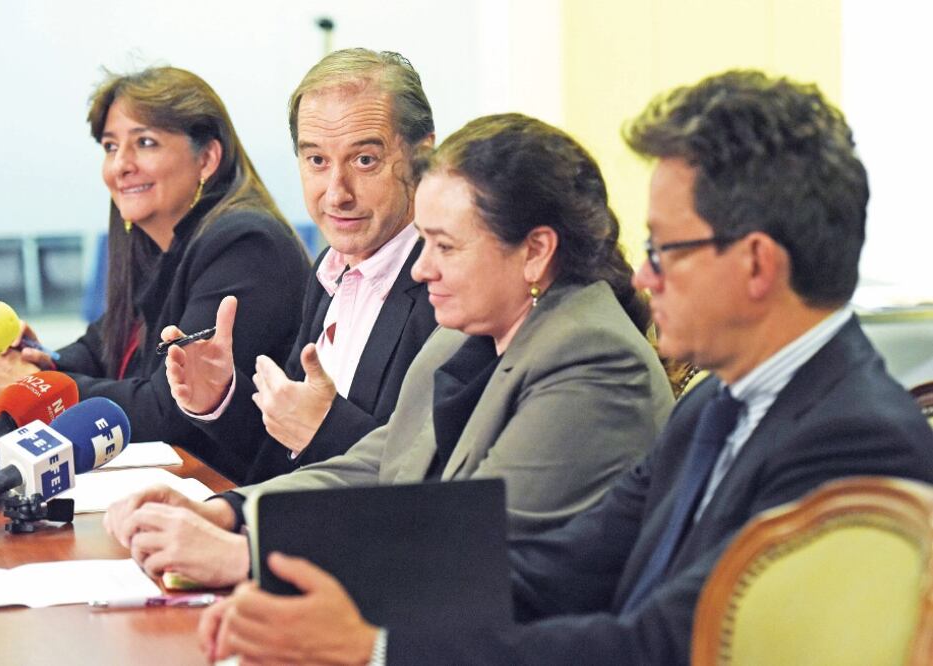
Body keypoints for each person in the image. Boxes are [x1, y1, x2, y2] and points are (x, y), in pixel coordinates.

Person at [195, 71, 933, 665]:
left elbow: (660, 645)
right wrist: (287, 578)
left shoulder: (852, 440)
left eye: (664, 250)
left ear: (756, 265)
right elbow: (558, 565)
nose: (643, 277)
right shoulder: (718, 405)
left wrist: (376, 648)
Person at [104, 113, 675, 589]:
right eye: (423, 242)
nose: (421, 269)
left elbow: (470, 548)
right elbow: (378, 465)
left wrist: (245, 558)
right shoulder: (466, 333)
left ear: (535, 252)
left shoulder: (592, 359)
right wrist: (227, 513)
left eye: (444, 246)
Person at [0, 67, 309, 476]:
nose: (120, 165)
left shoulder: (245, 245)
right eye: (110, 146)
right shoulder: (161, 241)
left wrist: (40, 386)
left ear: (206, 158)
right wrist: (38, 360)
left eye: (145, 143)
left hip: (228, 488)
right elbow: (103, 347)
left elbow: (169, 406)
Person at [161, 49, 439, 483]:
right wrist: (221, 398)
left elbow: (445, 479)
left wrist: (324, 431)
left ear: (422, 157)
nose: (337, 194)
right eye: (317, 161)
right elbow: (285, 457)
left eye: (364, 160)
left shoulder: (447, 286)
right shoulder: (330, 269)